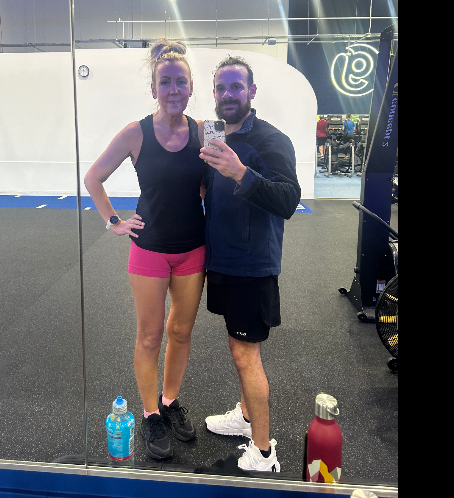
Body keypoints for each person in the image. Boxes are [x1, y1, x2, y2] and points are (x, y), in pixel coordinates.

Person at [84, 39, 206, 461]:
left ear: (191, 87)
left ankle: (170, 401)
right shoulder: (136, 132)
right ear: (154, 88)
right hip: (149, 249)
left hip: (193, 250)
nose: (173, 89)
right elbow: (93, 178)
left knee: (181, 332)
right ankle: (151, 412)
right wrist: (114, 222)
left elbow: (209, 183)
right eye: (165, 82)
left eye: (181, 81)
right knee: (151, 335)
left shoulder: (203, 130)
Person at [198, 55, 301, 473]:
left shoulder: (272, 140)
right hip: (222, 260)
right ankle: (244, 416)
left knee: (246, 353)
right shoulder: (215, 136)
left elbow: (288, 199)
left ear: (252, 91)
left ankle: (263, 451)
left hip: (252, 266)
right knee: (237, 345)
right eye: (221, 88)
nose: (228, 95)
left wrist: (242, 172)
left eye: (236, 87)